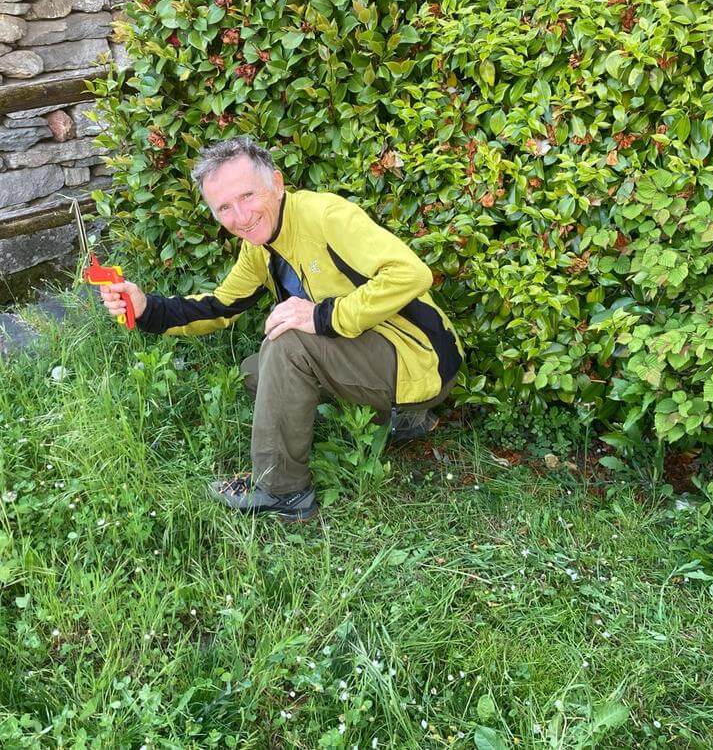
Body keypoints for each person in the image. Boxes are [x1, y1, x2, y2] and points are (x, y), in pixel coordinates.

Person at [98, 136, 463, 521]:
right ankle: (397, 420)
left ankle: (283, 490)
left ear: (276, 182)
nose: (241, 217)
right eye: (224, 208)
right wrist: (147, 308)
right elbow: (221, 305)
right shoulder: (259, 245)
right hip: (374, 356)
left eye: (247, 196)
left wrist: (322, 317)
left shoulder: (326, 216)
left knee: (287, 345)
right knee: (257, 372)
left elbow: (411, 274)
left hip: (421, 361)